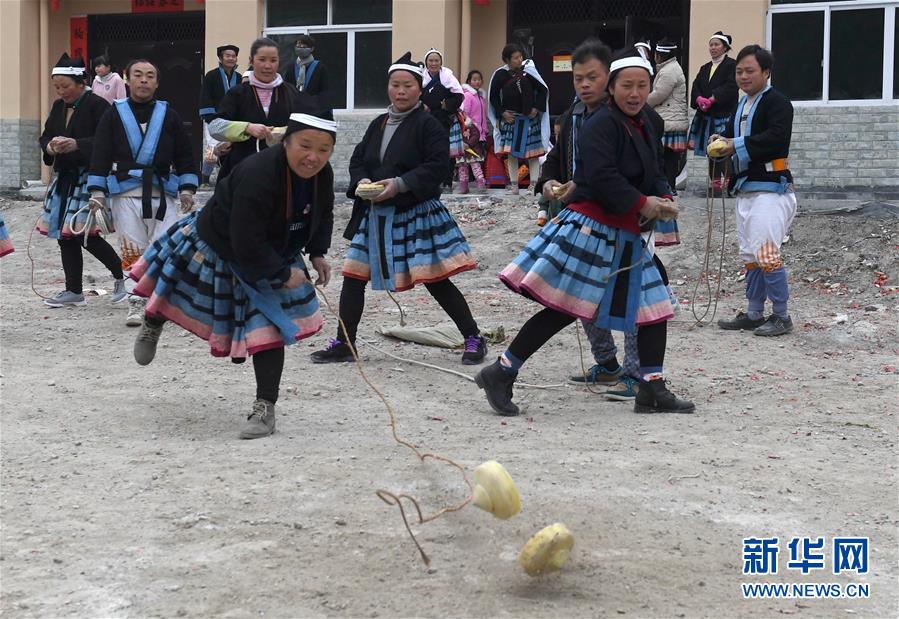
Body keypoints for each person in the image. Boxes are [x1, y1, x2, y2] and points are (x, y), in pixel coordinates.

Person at [475, 48, 694, 417]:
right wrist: (643, 204)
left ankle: (651, 387)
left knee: (655, 307)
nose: (635, 93)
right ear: (613, 87)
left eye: (642, 85)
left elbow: (656, 169)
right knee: (563, 308)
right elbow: (601, 177)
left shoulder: (650, 121)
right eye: (627, 85)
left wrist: (665, 194)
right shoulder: (601, 124)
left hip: (629, 233)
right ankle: (502, 370)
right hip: (594, 228)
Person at [128, 111, 336, 439]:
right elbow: (245, 238)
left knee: (268, 327)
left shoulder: (321, 175)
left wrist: (318, 252)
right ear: (286, 143)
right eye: (305, 146)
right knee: (174, 290)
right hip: (219, 240)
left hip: (274, 247)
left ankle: (265, 407)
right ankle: (153, 323)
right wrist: (281, 274)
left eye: (324, 150)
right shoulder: (258, 173)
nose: (313, 157)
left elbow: (322, 214)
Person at [310, 52, 487, 366]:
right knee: (353, 277)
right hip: (375, 213)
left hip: (416, 212)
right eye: (395, 85)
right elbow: (358, 160)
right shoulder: (378, 123)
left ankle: (473, 337)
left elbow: (435, 167)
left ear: (419, 89)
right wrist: (363, 179)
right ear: (388, 88)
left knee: (436, 279)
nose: (401, 91)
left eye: (407, 85)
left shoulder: (429, 125)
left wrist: (399, 184)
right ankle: (345, 343)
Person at [87, 58, 198, 325]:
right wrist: (97, 192)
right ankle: (136, 303)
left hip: (164, 194)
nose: (144, 80)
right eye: (138, 75)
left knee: (167, 249)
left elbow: (184, 154)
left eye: (150, 75)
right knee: (132, 251)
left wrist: (187, 188)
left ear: (157, 82)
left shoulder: (168, 114)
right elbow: (100, 152)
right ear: (127, 78)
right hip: (125, 194)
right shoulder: (113, 113)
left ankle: (162, 303)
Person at [713, 45, 796, 337]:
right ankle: (753, 312)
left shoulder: (779, 103)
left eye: (750, 71)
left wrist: (733, 144)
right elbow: (739, 141)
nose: (743, 76)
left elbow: (775, 137)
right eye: (739, 71)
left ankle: (782, 315)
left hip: (772, 190)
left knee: (766, 253)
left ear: (766, 72)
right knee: (750, 254)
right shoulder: (741, 105)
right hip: (747, 188)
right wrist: (722, 142)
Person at [38, 53, 125, 308]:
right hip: (64, 177)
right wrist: (51, 148)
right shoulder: (57, 107)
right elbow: (45, 137)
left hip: (89, 177)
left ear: (80, 83)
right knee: (65, 235)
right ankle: (73, 291)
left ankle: (123, 278)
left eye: (65, 86)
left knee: (84, 234)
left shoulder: (99, 106)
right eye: (57, 87)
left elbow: (111, 142)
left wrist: (77, 144)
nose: (61, 91)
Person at [211, 37, 318, 179]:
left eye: (273, 60)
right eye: (262, 60)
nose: (268, 66)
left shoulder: (291, 93)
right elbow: (215, 127)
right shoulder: (238, 93)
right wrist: (247, 128)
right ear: (251, 60)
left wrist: (286, 132)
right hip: (242, 171)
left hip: (282, 170)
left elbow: (308, 126)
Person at [487, 43, 550, 195]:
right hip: (511, 120)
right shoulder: (500, 75)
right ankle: (514, 185)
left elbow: (542, 90)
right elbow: (493, 97)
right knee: (512, 154)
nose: (519, 60)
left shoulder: (529, 73)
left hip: (529, 119)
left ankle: (534, 185)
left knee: (533, 154)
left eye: (520, 57)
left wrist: (536, 108)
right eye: (515, 58)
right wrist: (502, 113)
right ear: (507, 60)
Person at [688, 31, 738, 193]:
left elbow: (731, 86)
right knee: (711, 149)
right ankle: (715, 183)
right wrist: (699, 100)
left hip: (724, 114)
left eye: (717, 44)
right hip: (707, 115)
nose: (713, 48)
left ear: (725, 47)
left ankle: (731, 181)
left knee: (723, 148)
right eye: (711, 45)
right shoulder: (705, 68)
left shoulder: (732, 65)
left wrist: (713, 98)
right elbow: (695, 86)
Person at [421, 48, 466, 189]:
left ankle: (447, 181)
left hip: (446, 120)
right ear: (426, 62)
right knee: (428, 150)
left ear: (441, 62)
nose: (433, 63)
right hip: (427, 120)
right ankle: (430, 180)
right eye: (431, 60)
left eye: (436, 60)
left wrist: (446, 104)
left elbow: (458, 96)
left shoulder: (448, 77)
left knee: (446, 151)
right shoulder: (420, 78)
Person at [647, 39, 688, 194]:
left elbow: (659, 95)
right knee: (668, 157)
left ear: (659, 55)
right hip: (672, 119)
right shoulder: (670, 68)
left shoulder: (669, 71)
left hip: (669, 120)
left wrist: (641, 104)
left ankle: (668, 187)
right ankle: (668, 186)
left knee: (666, 157)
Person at [198, 44, 242, 184]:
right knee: (212, 149)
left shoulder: (239, 78)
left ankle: (229, 177)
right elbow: (206, 96)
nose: (231, 59)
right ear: (221, 58)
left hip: (233, 120)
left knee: (230, 148)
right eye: (227, 56)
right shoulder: (212, 76)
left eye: (233, 56)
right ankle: (205, 179)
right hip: (214, 118)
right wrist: (209, 116)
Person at [458, 70, 489, 193]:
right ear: (469, 81)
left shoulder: (481, 97)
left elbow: (483, 117)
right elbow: (464, 113)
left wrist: (484, 131)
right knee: (463, 163)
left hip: (479, 135)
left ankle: (480, 183)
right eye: (474, 79)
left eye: (479, 79)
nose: (477, 82)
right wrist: (468, 128)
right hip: (469, 133)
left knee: (475, 161)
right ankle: (463, 186)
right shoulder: (467, 96)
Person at [282, 34, 330, 101]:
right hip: (295, 107)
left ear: (312, 49)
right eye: (298, 46)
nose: (300, 49)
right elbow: (287, 90)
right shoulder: (291, 67)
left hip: (314, 108)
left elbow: (324, 91)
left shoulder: (320, 67)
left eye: (303, 47)